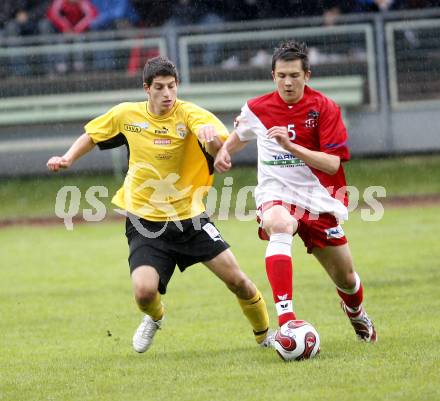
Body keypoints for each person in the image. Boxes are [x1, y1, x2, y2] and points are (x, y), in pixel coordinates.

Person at [46, 56, 272, 353]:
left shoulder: (190, 115)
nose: (168, 94)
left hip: (190, 219)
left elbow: (221, 151)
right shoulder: (127, 114)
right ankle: (155, 317)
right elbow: (92, 135)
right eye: (160, 88)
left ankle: (266, 337)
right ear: (146, 89)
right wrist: (67, 158)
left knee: (239, 282)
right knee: (143, 293)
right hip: (145, 221)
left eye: (172, 87)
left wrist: (216, 147)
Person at [214, 40, 377, 343]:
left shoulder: (325, 108)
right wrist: (225, 150)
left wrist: (291, 147)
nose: (288, 82)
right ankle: (287, 321)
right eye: (281, 76)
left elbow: (331, 164)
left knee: (347, 278)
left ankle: (356, 313)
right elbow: (242, 133)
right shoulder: (257, 108)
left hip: (318, 199)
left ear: (307, 75)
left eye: (294, 75)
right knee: (279, 224)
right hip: (275, 193)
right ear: (272, 76)